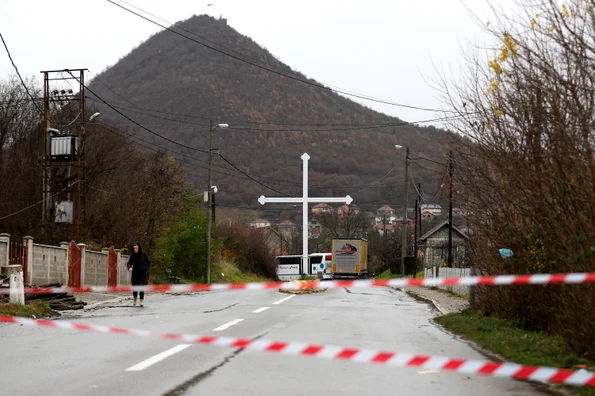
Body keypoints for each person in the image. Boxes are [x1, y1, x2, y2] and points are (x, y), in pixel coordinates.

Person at [126, 242, 151, 307]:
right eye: (134, 248)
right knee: (135, 287)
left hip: (142, 274)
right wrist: (129, 267)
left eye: (136, 248)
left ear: (139, 248)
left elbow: (148, 262)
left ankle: (141, 300)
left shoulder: (143, 254)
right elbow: (129, 263)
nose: (135, 249)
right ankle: (135, 298)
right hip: (135, 273)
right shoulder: (133, 255)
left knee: (141, 287)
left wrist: (146, 269)